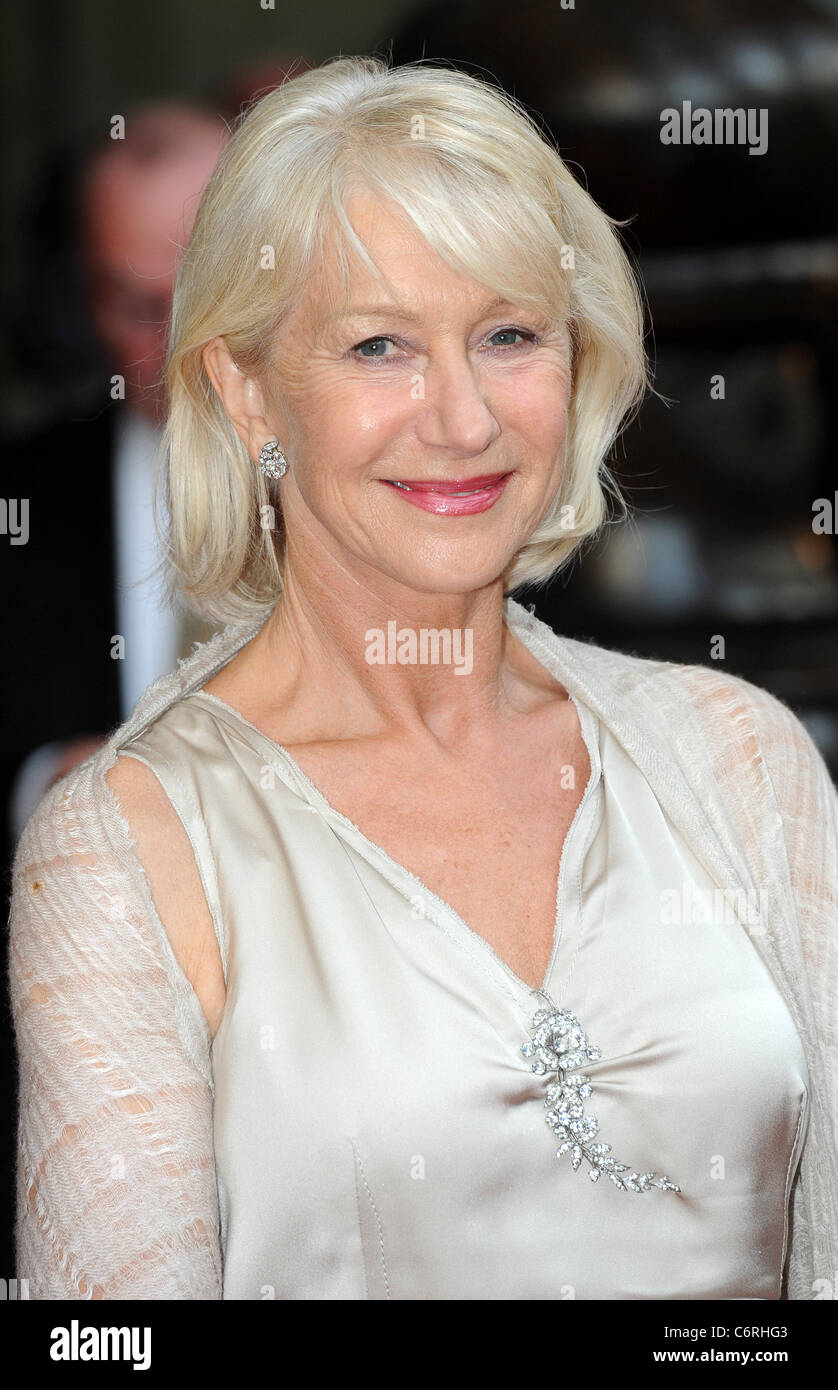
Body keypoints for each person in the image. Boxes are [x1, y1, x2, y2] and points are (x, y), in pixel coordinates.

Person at [8, 55, 837, 1301]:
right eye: (379, 344)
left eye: (508, 334)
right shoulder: (121, 848)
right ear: (244, 390)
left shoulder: (740, 755)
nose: (460, 418)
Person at [0, 104, 226, 873]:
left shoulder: (386, 470)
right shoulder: (20, 495)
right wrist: (45, 787)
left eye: (207, 288)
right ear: (85, 304)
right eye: (138, 307)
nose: (178, 344)